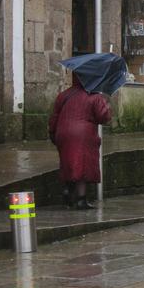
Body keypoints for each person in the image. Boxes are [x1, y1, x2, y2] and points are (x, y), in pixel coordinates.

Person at [48, 73, 111, 209]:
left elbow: (54, 117)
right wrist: (106, 103)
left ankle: (68, 191)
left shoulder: (64, 95)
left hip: (62, 133)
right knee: (82, 166)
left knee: (68, 163)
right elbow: (103, 117)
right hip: (83, 135)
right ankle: (81, 199)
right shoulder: (94, 96)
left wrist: (53, 134)